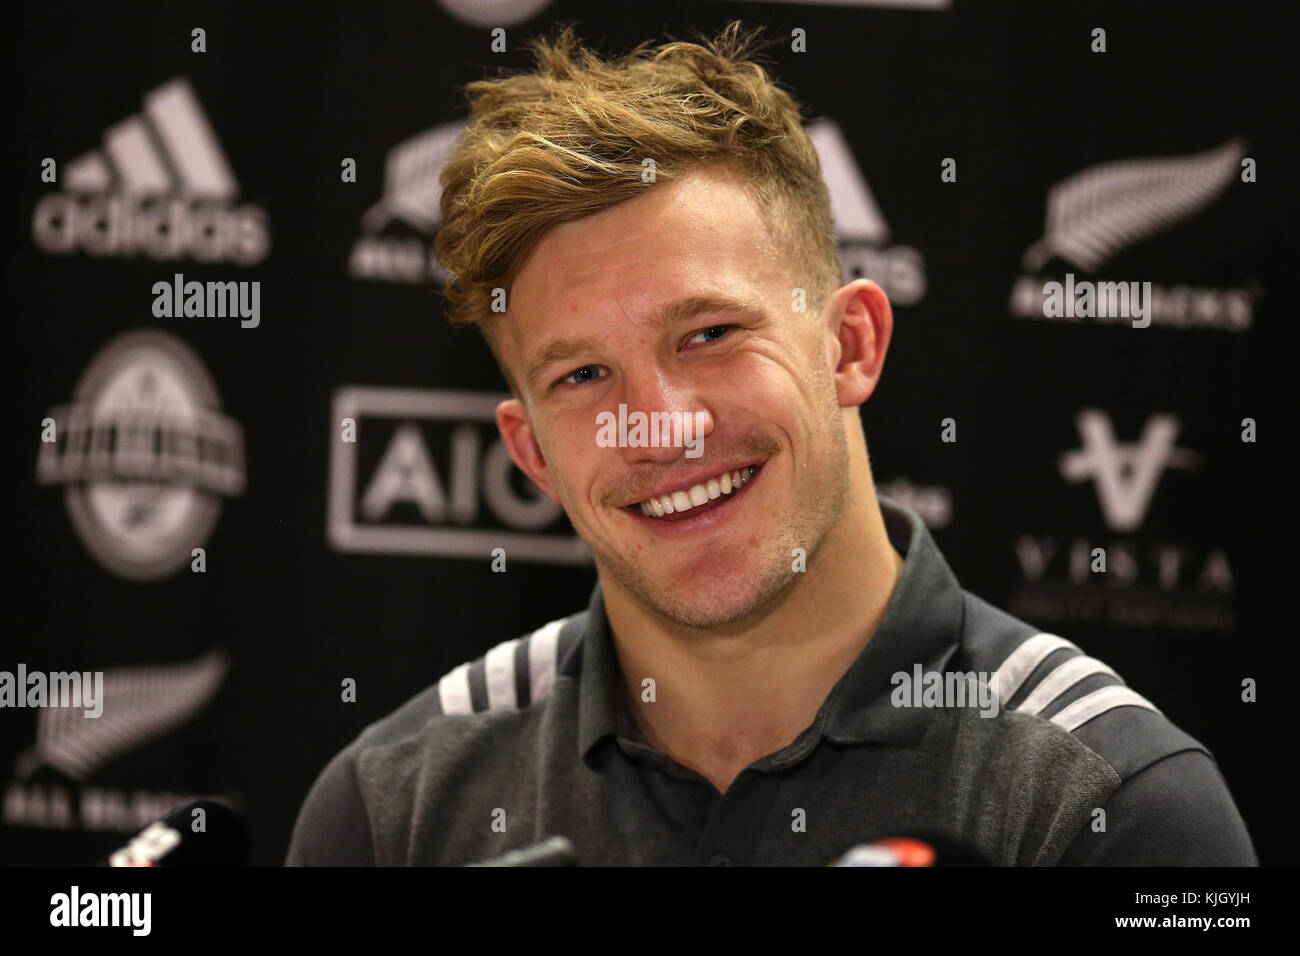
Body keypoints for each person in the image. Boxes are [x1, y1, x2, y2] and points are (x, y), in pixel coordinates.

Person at [286, 21, 1256, 866]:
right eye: (581, 376)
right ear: (531, 450)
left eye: (708, 334)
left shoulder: (1111, 808)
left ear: (850, 343)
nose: (659, 424)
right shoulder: (393, 809)